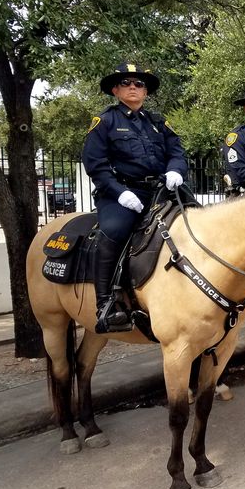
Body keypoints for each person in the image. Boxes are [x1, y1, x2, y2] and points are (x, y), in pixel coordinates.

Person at [83, 63, 188, 334]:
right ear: (116, 90)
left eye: (139, 84)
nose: (133, 87)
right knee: (114, 231)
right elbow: (95, 164)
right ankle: (106, 304)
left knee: (197, 217)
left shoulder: (157, 122)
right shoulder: (105, 122)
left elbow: (177, 151)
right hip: (121, 194)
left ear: (146, 91)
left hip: (160, 190)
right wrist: (121, 192)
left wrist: (175, 170)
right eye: (127, 83)